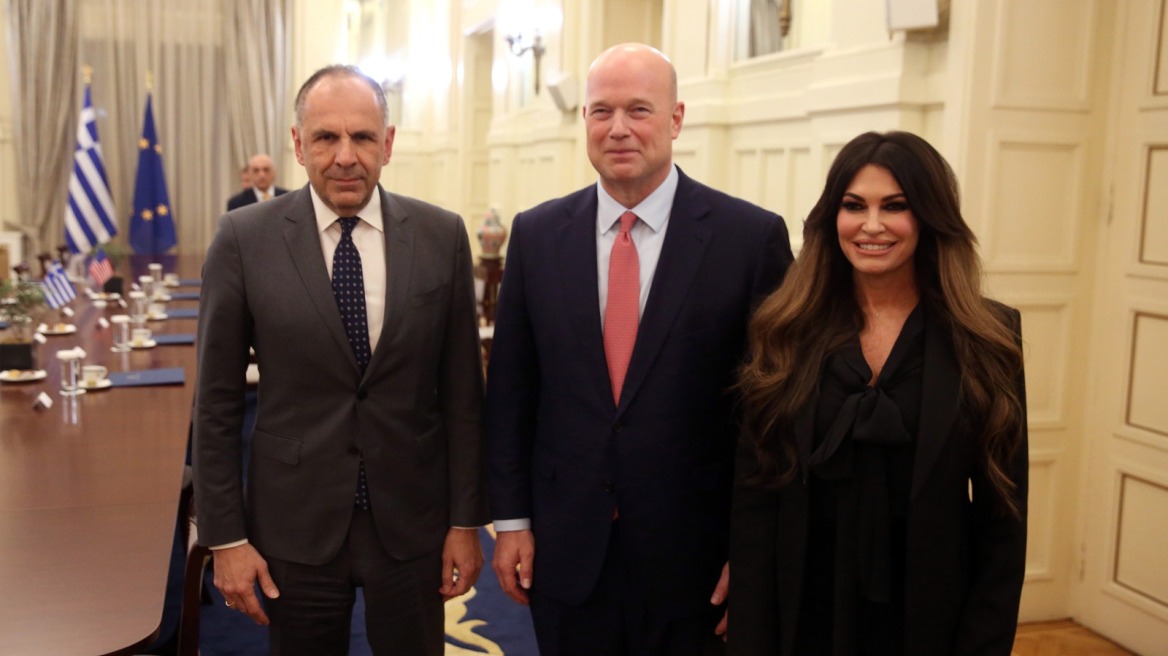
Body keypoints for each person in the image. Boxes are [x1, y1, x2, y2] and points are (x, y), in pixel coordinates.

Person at [485, 43, 793, 655]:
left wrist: (754, 551)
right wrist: (512, 521)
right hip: (565, 551)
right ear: (585, 121)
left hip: (695, 559)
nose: (618, 128)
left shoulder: (749, 239)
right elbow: (513, 392)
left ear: (675, 119)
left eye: (639, 110)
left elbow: (773, 417)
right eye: (602, 111)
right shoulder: (537, 235)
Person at [193, 64, 487, 656]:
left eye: (363, 137)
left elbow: (462, 396)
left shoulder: (442, 236)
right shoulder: (244, 239)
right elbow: (217, 403)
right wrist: (224, 538)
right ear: (299, 145)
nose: (345, 156)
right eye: (326, 137)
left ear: (389, 143)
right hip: (293, 523)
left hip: (412, 522)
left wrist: (465, 521)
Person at [729, 131, 1028, 655]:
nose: (871, 225)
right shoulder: (783, 327)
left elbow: (1003, 515)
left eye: (894, 206)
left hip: (929, 616)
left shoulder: (989, 337)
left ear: (930, 217)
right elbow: (756, 493)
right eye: (854, 206)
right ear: (832, 217)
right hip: (801, 608)